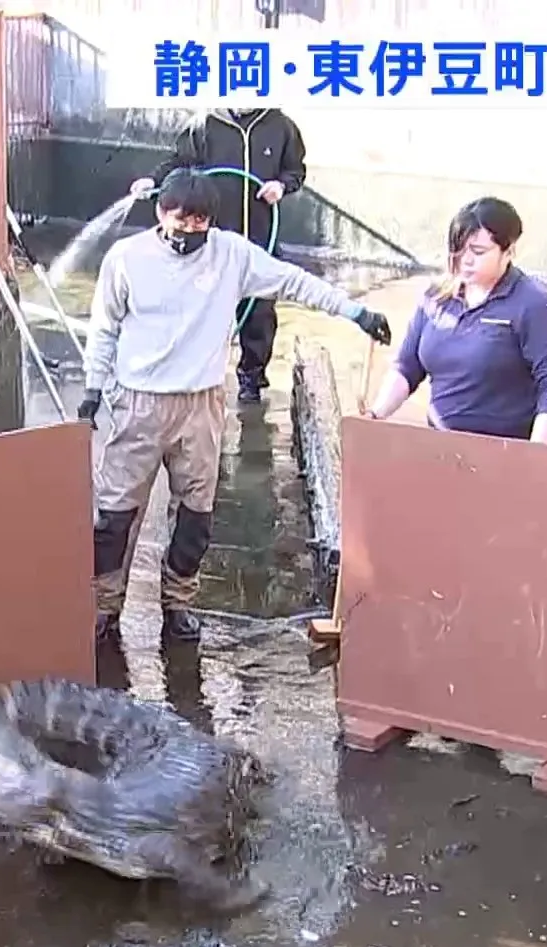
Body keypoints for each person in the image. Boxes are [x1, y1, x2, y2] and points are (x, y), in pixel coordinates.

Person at [83, 169, 391, 644]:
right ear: (161, 212)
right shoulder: (127, 259)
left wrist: (355, 313)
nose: (189, 230)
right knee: (114, 514)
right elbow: (104, 328)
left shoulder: (232, 255)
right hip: (138, 403)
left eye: (200, 220)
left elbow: (294, 283)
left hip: (202, 404)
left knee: (195, 515)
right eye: (180, 219)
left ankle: (178, 604)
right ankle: (104, 607)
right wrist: (91, 390)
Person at [129, 108, 309, 405]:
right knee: (202, 308)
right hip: (210, 240)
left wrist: (281, 185)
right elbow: (180, 164)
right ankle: (193, 375)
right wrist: (153, 181)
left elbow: (295, 170)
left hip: (258, 237)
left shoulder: (281, 125)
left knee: (259, 314)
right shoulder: (205, 124)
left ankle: (251, 380)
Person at [359, 197, 547, 442]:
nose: (466, 261)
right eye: (458, 250)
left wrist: (535, 450)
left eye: (478, 252)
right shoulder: (437, 297)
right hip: (440, 445)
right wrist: (376, 415)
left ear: (509, 251)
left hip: (504, 448)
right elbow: (407, 368)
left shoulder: (535, 305)